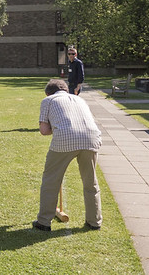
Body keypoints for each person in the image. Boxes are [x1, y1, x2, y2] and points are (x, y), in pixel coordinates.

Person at [33, 79, 102, 232]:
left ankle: (44, 221)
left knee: (51, 181)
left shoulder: (48, 100)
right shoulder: (80, 99)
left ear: (48, 92)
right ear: (65, 90)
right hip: (91, 138)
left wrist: (55, 127)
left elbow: (44, 131)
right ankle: (94, 221)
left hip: (65, 140)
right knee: (91, 182)